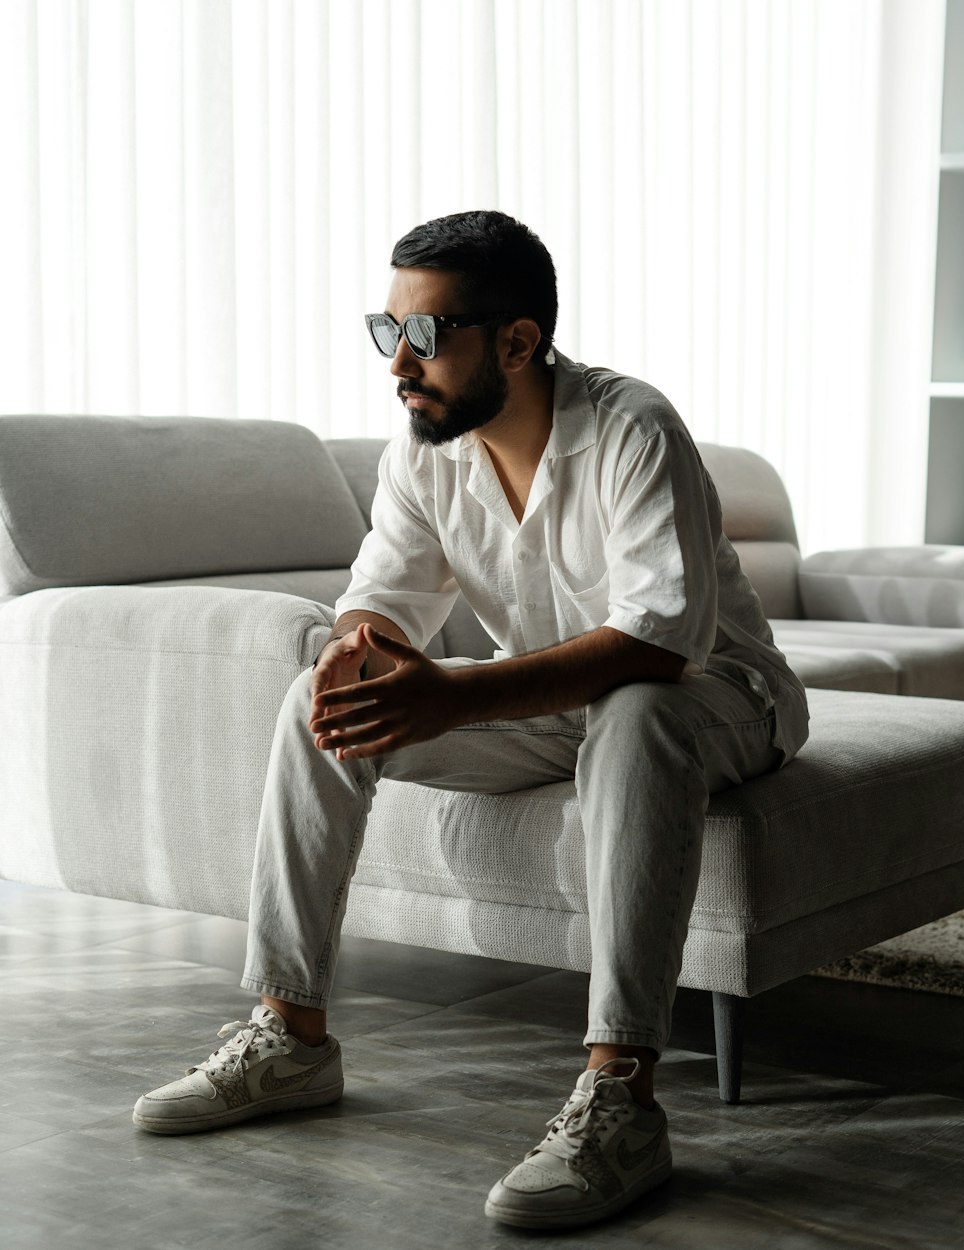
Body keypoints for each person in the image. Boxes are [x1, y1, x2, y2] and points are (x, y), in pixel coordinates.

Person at [133, 209, 809, 1230]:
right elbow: (382, 593)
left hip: (718, 697)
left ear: (516, 340)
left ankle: (620, 1096)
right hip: (547, 703)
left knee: (636, 713)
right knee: (320, 698)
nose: (398, 365)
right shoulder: (424, 448)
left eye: (424, 336)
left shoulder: (633, 427)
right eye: (386, 330)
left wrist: (450, 691)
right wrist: (362, 650)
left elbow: (664, 643)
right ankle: (289, 1031)